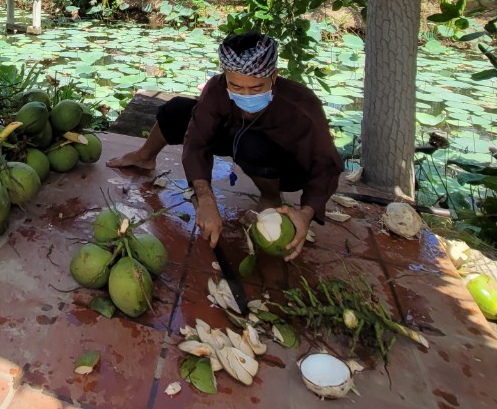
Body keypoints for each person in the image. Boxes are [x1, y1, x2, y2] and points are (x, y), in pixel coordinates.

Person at [107, 31, 342, 259]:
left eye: (256, 88)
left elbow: (325, 165)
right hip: (234, 138)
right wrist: (206, 198)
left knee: (253, 144)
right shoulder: (217, 88)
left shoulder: (301, 104)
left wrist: (306, 213)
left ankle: (271, 198)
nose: (246, 95)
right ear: (226, 78)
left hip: (282, 163)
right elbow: (196, 142)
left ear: (274, 76)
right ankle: (144, 156)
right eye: (236, 87)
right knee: (178, 109)